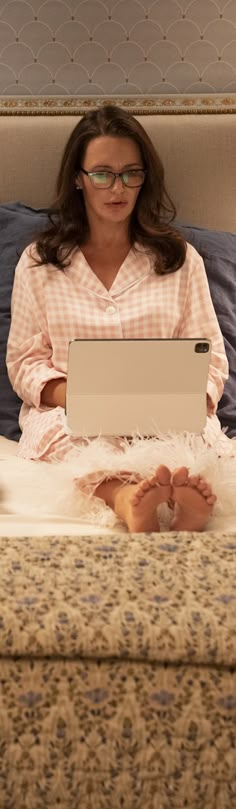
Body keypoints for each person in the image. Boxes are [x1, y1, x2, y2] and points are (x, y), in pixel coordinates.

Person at [6, 104, 236, 532]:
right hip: (70, 412)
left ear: (145, 178)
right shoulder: (39, 263)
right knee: (68, 441)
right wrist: (79, 396)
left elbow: (213, 359)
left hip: (165, 411)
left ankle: (183, 494)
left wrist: (184, 402)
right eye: (103, 174)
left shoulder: (181, 260)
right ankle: (127, 497)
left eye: (132, 173)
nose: (119, 187)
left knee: (187, 437)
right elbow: (24, 362)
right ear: (78, 178)